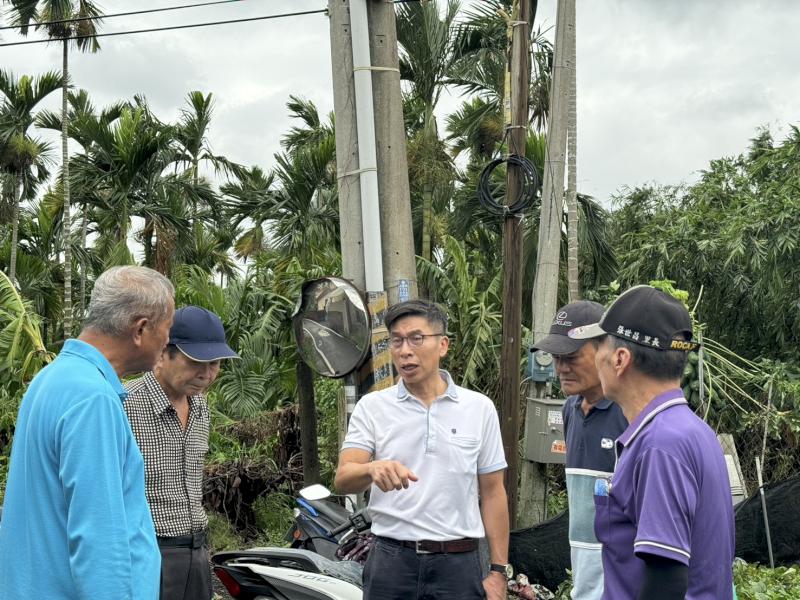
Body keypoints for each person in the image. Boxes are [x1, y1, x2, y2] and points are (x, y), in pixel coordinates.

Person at [0, 266, 174, 599]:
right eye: (167, 329)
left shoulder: (52, 378)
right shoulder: (93, 398)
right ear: (140, 329)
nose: (168, 341)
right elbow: (99, 539)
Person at [335, 299, 511, 600]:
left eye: (416, 338)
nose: (405, 351)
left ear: (442, 345)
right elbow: (343, 478)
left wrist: (498, 571)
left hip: (458, 565)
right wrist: (372, 468)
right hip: (391, 562)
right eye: (397, 341)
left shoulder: (479, 409)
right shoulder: (373, 407)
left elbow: (494, 493)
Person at [569, 285, 735, 600]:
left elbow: (667, 580)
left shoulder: (659, 445)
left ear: (620, 359)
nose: (596, 356)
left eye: (599, 345)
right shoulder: (693, 431)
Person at [125, 305, 239, 600]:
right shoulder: (124, 405)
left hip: (197, 553)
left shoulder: (200, 407)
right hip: (146, 554)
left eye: (215, 363)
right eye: (196, 362)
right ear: (163, 352)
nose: (207, 374)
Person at [532, 301, 628, 600]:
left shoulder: (630, 413)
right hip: (585, 579)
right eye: (557, 357)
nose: (561, 367)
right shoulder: (570, 409)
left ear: (605, 352)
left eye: (571, 357)